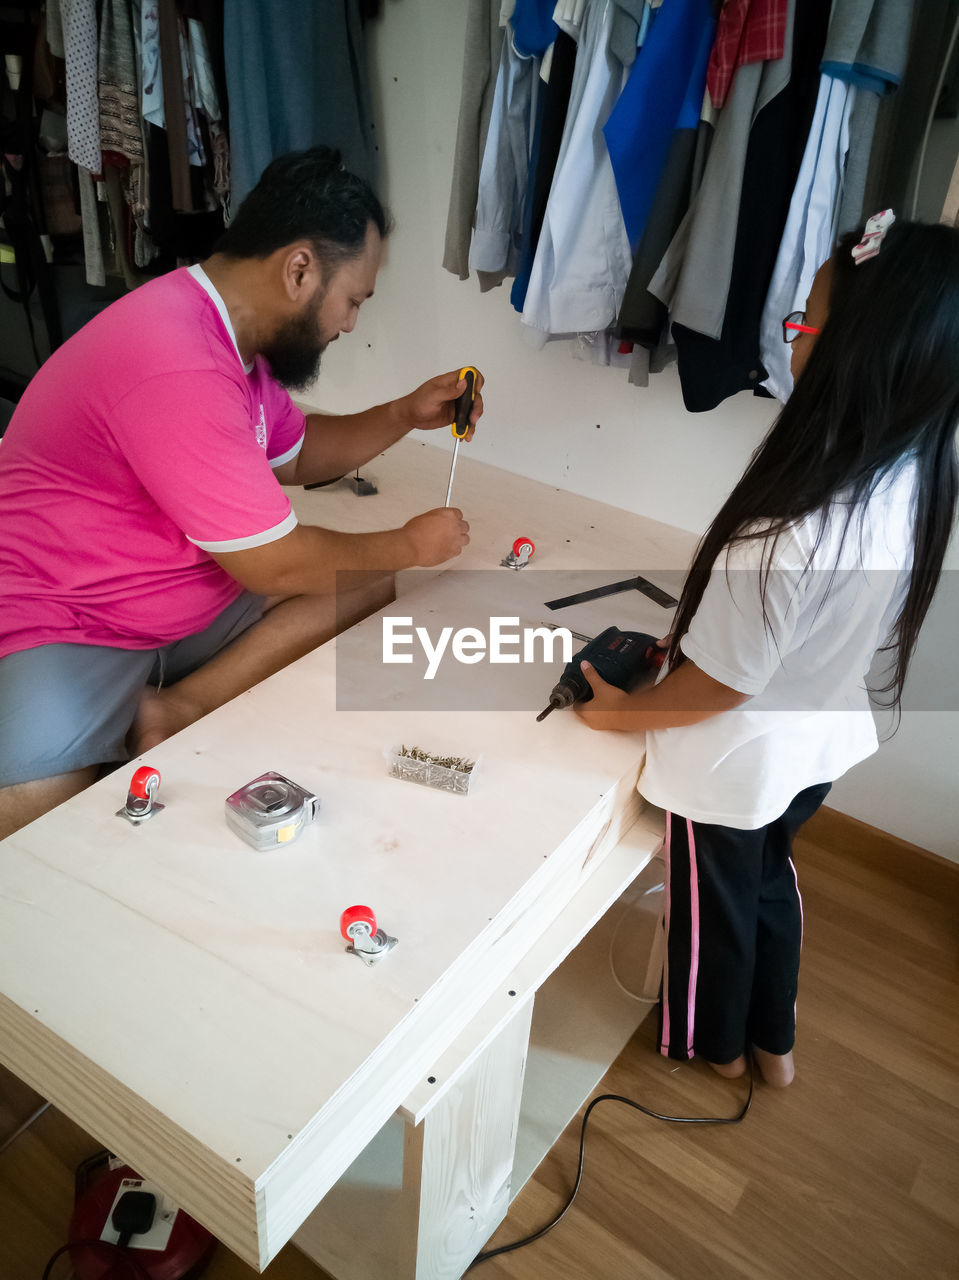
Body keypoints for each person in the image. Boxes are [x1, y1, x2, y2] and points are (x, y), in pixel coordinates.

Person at [575, 214, 959, 1087]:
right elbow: (790, 633)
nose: (789, 339)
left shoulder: (780, 533)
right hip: (814, 740)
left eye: (802, 323)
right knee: (766, 877)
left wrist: (621, 712)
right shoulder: (910, 475)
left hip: (732, 763)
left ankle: (710, 1049)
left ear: (855, 353)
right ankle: (773, 1045)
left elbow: (720, 687)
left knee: (709, 909)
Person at [0, 146, 480, 839]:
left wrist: (404, 413)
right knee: (37, 817)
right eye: (353, 300)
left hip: (185, 602)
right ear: (299, 270)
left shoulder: (233, 342)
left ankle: (182, 705)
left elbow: (295, 453)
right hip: (71, 618)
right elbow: (273, 562)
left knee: (366, 582)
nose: (349, 324)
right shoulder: (173, 361)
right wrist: (411, 542)